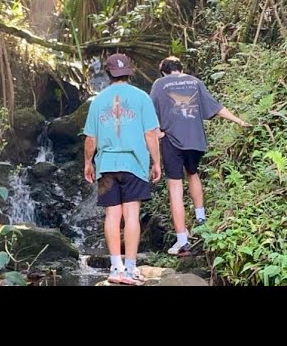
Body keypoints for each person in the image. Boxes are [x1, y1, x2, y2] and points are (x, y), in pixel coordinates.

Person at [150, 56, 251, 256]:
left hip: (172, 140)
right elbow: (216, 107)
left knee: (175, 187)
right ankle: (201, 218)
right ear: (181, 68)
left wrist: (157, 132)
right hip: (195, 140)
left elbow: (150, 113)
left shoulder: (159, 84)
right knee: (193, 173)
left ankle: (182, 241)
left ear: (163, 70)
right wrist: (238, 121)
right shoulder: (195, 81)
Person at [83, 53, 162, 285]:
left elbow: (90, 137)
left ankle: (115, 267)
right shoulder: (141, 97)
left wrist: (88, 162)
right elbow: (150, 134)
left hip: (107, 165)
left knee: (112, 215)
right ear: (131, 70)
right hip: (134, 164)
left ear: (107, 73)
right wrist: (156, 162)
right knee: (131, 216)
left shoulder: (98, 101)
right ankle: (129, 269)